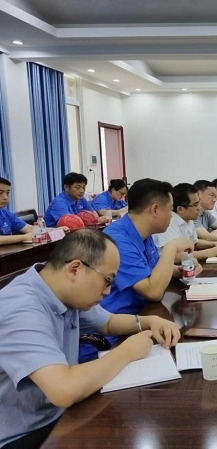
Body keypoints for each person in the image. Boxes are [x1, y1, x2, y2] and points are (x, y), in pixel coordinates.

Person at [0, 229, 180, 448]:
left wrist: (149, 321)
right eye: (107, 281)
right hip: (25, 433)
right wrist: (126, 352)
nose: (108, 291)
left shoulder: (60, 289)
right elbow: (64, 389)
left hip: (60, 414)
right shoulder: (21, 309)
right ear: (74, 269)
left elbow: (108, 322)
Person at [78, 179, 200, 362]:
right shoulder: (117, 240)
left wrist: (183, 269)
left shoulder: (143, 234)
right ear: (155, 209)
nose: (172, 216)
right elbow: (153, 291)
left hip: (140, 317)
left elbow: (154, 272)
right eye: (170, 210)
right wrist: (171, 248)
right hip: (112, 335)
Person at [153, 183, 217, 260]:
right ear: (180, 209)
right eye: (196, 204)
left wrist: (214, 244)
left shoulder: (189, 219)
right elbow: (172, 256)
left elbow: (195, 243)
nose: (200, 207)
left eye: (199, 202)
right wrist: (211, 252)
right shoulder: (168, 223)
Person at [0, 177, 33, 245]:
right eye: (0, 193)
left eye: (7, 193)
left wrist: (50, 230)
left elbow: (29, 228)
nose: (6, 197)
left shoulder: (5, 213)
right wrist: (24, 237)